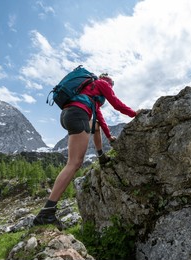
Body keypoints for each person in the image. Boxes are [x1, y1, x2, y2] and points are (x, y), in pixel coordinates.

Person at [33, 73, 138, 229]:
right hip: (78, 113)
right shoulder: (102, 84)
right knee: (74, 163)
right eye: (112, 85)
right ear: (108, 82)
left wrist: (109, 137)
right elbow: (116, 103)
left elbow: (99, 120)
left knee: (94, 126)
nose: (111, 87)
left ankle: (101, 156)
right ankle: (46, 213)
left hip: (68, 114)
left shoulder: (90, 94)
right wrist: (136, 114)